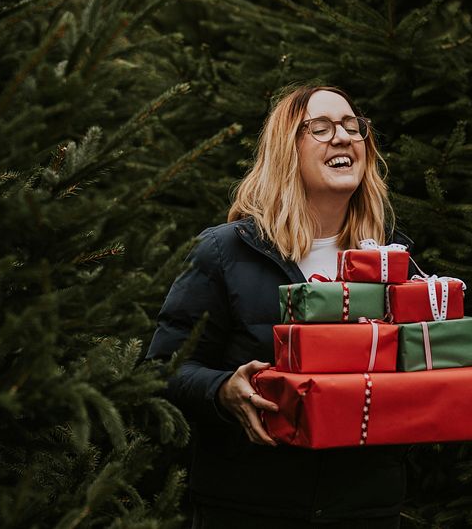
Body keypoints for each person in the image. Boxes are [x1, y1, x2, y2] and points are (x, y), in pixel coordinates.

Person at [146, 81, 415, 528]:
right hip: (249, 508)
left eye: (353, 126)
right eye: (323, 128)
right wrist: (222, 390)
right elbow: (161, 369)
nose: (344, 137)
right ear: (287, 149)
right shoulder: (227, 252)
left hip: (363, 510)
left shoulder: (393, 258)